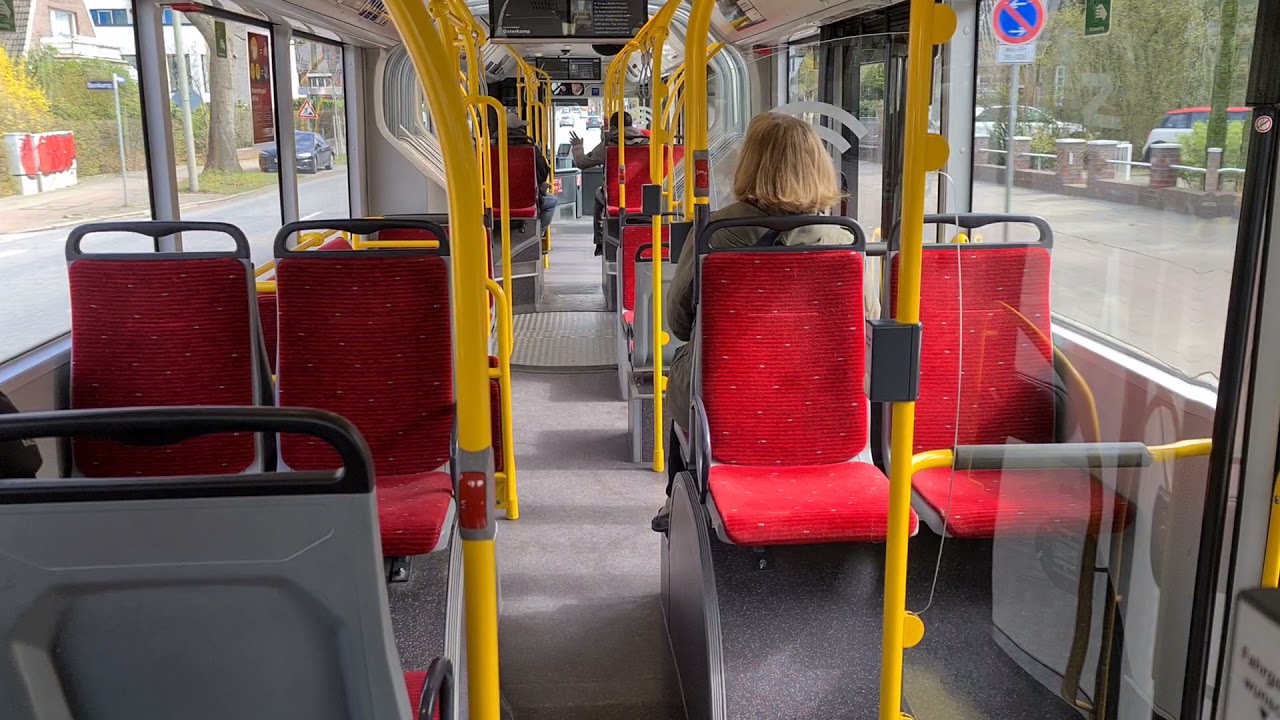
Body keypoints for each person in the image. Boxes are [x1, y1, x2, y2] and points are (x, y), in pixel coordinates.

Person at [651, 112, 882, 533]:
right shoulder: (845, 237)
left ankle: (676, 498)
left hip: (728, 394)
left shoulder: (717, 232)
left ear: (749, 165)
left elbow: (680, 323)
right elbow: (866, 318)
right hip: (823, 394)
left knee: (687, 361)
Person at [568, 111, 647, 255]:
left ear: (614, 127)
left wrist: (577, 146)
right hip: (644, 197)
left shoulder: (610, 144)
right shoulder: (647, 141)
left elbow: (582, 162)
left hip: (616, 196)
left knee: (599, 194)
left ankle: (600, 241)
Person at [492, 109, 557, 231]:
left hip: (495, 200)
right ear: (521, 128)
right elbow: (542, 171)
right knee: (551, 201)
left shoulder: (490, 147)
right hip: (526, 199)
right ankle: (538, 232)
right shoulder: (530, 147)